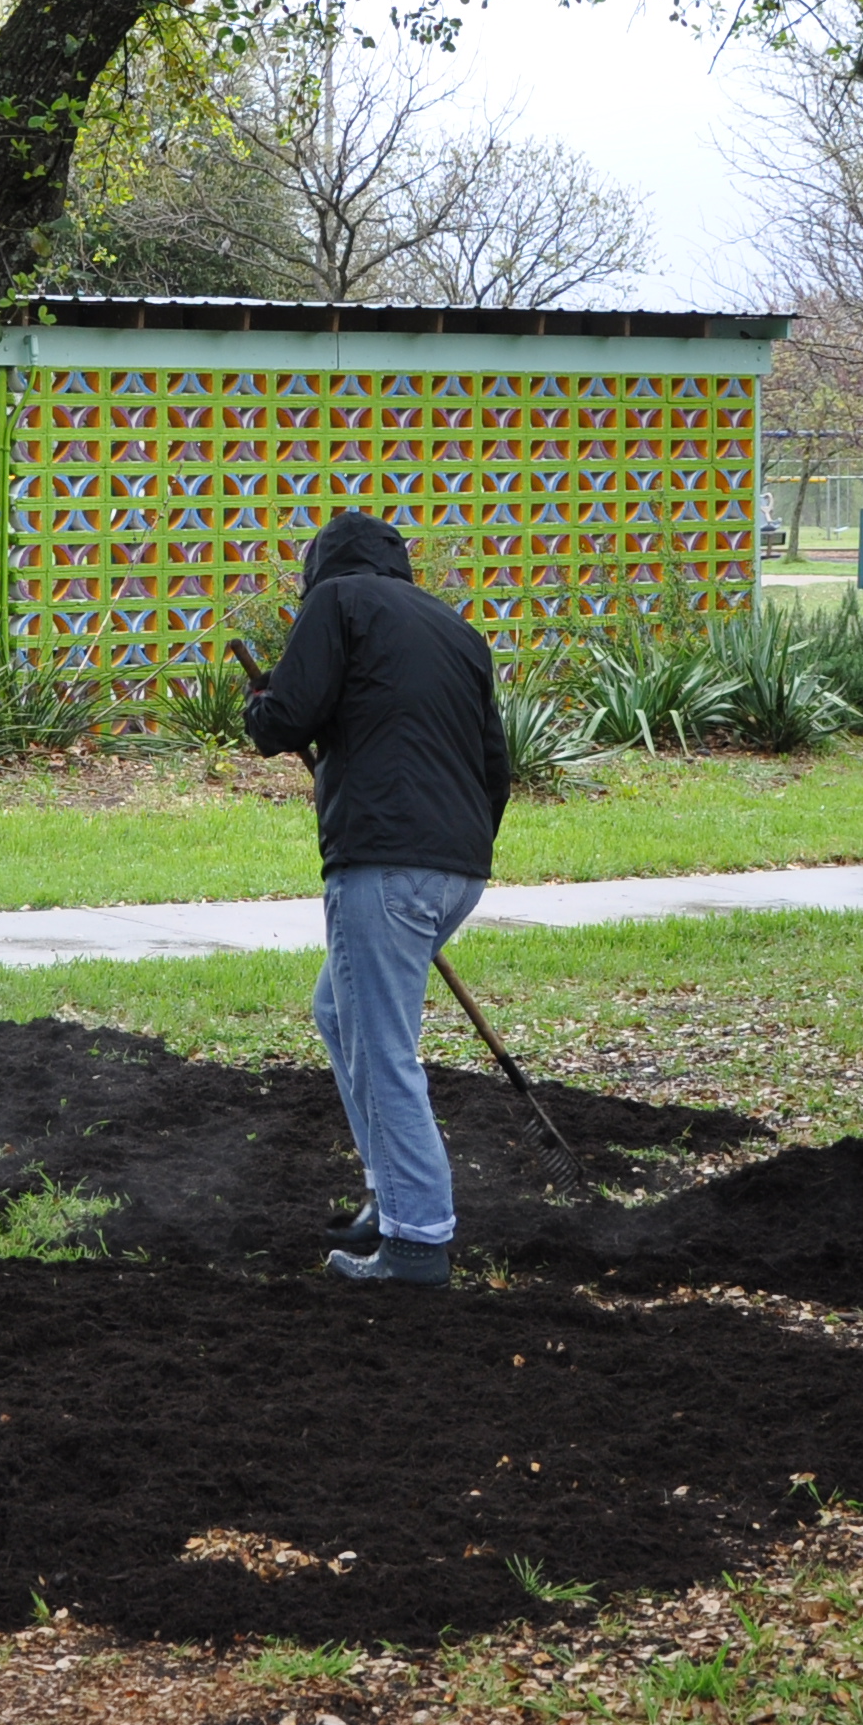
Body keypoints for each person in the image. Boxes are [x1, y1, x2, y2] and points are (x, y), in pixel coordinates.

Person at [245, 509, 512, 1287]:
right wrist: (451, 855)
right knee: (340, 1012)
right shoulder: (457, 630)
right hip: (459, 865)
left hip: (383, 863)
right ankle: (388, 1195)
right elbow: (495, 766)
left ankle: (417, 1241)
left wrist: (260, 706)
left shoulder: (337, 603)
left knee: (385, 1048)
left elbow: (288, 717)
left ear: (320, 567)